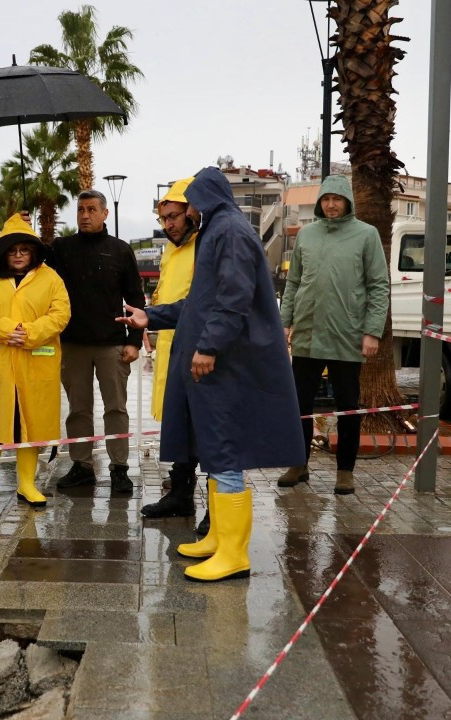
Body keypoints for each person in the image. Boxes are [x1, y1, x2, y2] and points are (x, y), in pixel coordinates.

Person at [118, 167, 303, 582]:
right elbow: (199, 302)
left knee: (225, 451)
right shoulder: (219, 229)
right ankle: (219, 539)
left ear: (203, 199)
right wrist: (152, 316)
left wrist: (209, 346)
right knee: (218, 452)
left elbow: (233, 298)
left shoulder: (228, 231)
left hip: (226, 365)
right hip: (217, 365)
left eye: (192, 203)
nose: (189, 212)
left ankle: (233, 554)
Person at [277, 175, 389, 495]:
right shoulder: (307, 235)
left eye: (337, 199)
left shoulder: (366, 235)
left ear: (347, 201)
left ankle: (345, 471)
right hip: (307, 335)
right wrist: (285, 322)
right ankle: (298, 464)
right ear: (319, 202)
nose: (331, 205)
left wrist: (372, 331)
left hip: (348, 335)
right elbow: (294, 282)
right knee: (299, 404)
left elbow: (378, 286)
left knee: (347, 405)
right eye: (326, 199)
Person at [0, 215, 71, 516]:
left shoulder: (51, 279)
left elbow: (61, 314)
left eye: (24, 250)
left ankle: (27, 484)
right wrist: (5, 329)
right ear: (2, 253)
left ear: (34, 251)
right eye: (12, 250)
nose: (19, 255)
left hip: (34, 366)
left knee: (31, 424)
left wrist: (31, 333)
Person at [47, 189, 146, 492]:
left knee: (116, 408)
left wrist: (135, 341)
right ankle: (81, 466)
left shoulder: (120, 250)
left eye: (91, 209)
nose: (85, 215)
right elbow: (30, 260)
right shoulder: (60, 248)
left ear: (105, 213)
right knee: (78, 409)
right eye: (80, 210)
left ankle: (119, 468)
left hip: (112, 343)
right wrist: (24, 228)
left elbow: (135, 298)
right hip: (73, 344)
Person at [140, 177, 202, 522]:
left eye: (174, 217)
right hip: (169, 346)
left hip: (196, 349)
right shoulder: (170, 251)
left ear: (191, 213)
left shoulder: (205, 247)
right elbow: (164, 295)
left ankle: (218, 505)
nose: (169, 225)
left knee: (203, 427)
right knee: (177, 423)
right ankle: (180, 494)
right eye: (164, 219)